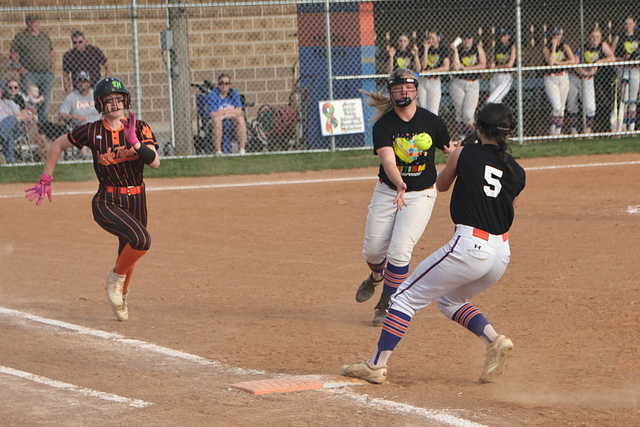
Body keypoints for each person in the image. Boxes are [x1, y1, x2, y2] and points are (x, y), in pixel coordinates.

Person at [341, 103, 526, 385]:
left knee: (402, 298)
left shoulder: (465, 153)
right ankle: (494, 341)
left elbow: (441, 185)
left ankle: (376, 365)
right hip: (500, 254)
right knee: (449, 301)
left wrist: (459, 155)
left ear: (479, 128)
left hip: (470, 246)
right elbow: (502, 201)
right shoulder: (517, 171)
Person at [25, 77, 160, 322]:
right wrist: (46, 177)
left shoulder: (139, 127)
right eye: (108, 100)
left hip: (137, 198)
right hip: (107, 200)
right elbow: (58, 144)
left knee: (129, 249)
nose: (115, 104)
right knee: (142, 240)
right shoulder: (92, 131)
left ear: (126, 101)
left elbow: (155, 162)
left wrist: (135, 143)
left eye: (119, 99)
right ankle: (115, 279)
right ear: (100, 104)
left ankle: (121, 293)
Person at [354, 68, 453, 327]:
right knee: (373, 252)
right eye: (397, 89)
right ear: (391, 93)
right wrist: (399, 183)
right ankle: (376, 277)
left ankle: (386, 302)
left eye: (408, 88)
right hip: (389, 190)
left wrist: (465, 157)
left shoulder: (432, 122)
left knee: (399, 252)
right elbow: (388, 160)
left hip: (420, 194)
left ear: (417, 90)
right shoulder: (384, 125)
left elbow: (450, 151)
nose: (403, 93)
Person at [566, 29, 615, 135]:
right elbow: (574, 64)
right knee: (572, 104)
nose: (595, 39)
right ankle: (573, 130)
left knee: (590, 107)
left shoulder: (602, 45)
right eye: (592, 37)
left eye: (597, 37)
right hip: (576, 77)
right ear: (589, 38)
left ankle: (587, 129)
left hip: (588, 79)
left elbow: (612, 57)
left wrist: (598, 62)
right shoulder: (582, 47)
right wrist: (584, 72)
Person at [10, 15, 55, 122]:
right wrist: (21, 69)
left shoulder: (44, 36)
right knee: (30, 101)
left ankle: (43, 123)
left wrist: (53, 68)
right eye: (30, 22)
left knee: (45, 99)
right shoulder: (21, 37)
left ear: (38, 22)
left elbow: (51, 53)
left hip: (46, 73)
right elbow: (13, 55)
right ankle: (31, 122)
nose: (32, 25)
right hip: (29, 74)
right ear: (26, 23)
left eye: (34, 22)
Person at [450, 33, 487, 141]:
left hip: (473, 83)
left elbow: (483, 65)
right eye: (464, 39)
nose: (466, 41)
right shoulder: (459, 50)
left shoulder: (477, 48)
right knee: (459, 113)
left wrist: (466, 68)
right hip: (458, 83)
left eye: (469, 38)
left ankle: (473, 137)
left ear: (472, 39)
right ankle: (463, 140)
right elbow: (456, 67)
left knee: (468, 115)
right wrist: (455, 51)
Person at [542, 27, 577, 136]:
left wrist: (560, 64)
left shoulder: (565, 46)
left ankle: (557, 131)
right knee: (556, 106)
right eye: (554, 34)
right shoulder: (546, 47)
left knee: (561, 107)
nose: (556, 36)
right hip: (551, 78)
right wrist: (553, 46)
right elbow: (551, 62)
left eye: (558, 34)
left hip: (563, 76)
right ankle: (552, 129)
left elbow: (573, 60)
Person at [58, 71, 102, 158]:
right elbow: (61, 115)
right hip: (81, 127)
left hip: (98, 126)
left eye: (84, 81)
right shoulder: (71, 97)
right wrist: (74, 116)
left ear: (89, 82)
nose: (82, 83)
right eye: (79, 81)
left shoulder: (96, 94)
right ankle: (85, 158)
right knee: (84, 135)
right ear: (76, 83)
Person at [2, 78, 45, 160]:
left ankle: (37, 150)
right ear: (6, 88)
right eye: (10, 87)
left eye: (15, 87)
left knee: (28, 123)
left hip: (17, 124)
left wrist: (29, 116)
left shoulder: (17, 99)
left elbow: (23, 111)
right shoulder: (4, 99)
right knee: (9, 131)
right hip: (7, 126)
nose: (13, 90)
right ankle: (11, 161)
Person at [207, 73, 247, 156]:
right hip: (214, 121)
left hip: (230, 120)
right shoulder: (213, 95)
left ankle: (242, 150)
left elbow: (239, 111)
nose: (224, 85)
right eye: (221, 83)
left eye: (226, 83)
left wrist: (224, 115)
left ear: (230, 85)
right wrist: (231, 112)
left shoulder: (234, 93)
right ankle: (218, 151)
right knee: (217, 121)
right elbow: (213, 114)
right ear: (218, 84)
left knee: (240, 119)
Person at [612, 16, 640, 132]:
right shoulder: (619, 37)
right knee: (624, 98)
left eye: (630, 24)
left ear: (634, 24)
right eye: (626, 24)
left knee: (633, 99)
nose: (628, 26)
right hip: (623, 69)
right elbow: (612, 55)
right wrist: (620, 59)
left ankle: (631, 128)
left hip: (635, 70)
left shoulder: (638, 36)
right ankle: (622, 126)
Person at [418, 31, 450, 115]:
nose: (431, 40)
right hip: (423, 80)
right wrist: (426, 49)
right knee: (423, 108)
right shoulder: (423, 48)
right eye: (429, 38)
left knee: (433, 111)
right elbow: (423, 66)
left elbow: (445, 67)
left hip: (434, 80)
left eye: (433, 38)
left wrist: (429, 71)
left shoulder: (442, 49)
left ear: (438, 38)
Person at [487, 28, 517, 104]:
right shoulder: (497, 46)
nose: (502, 38)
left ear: (509, 36)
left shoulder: (512, 46)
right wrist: (492, 65)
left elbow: (509, 65)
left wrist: (497, 67)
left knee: (490, 100)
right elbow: (492, 62)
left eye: (504, 35)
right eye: (500, 35)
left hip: (505, 76)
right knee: (497, 103)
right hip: (495, 76)